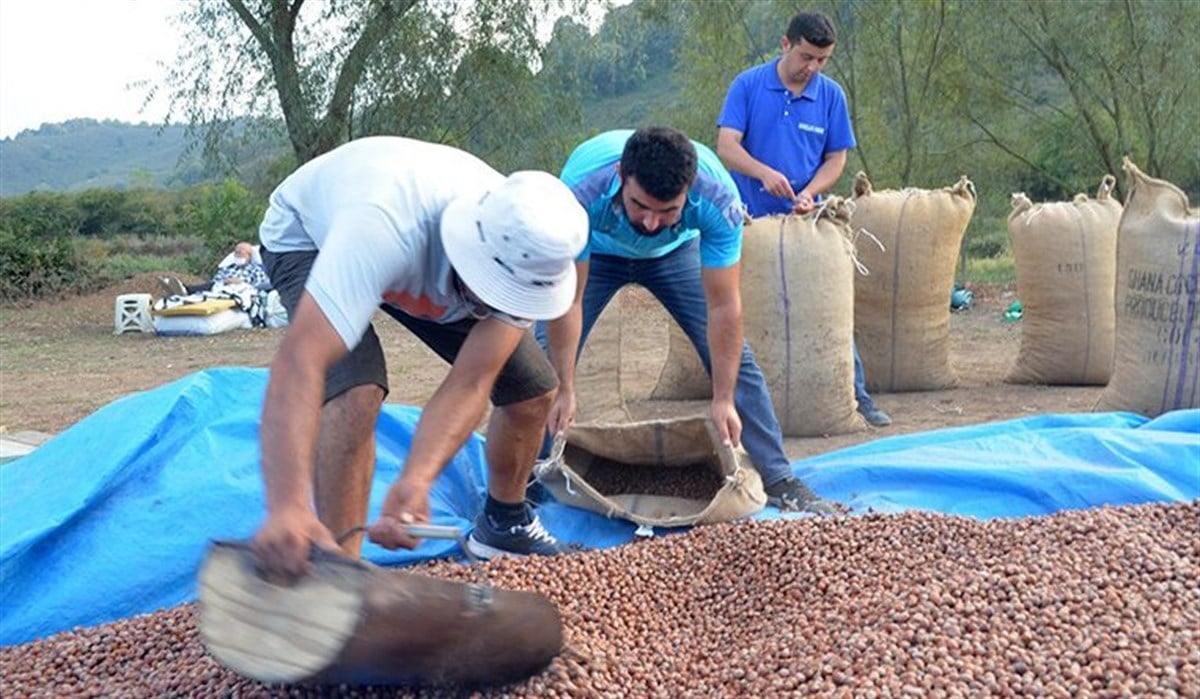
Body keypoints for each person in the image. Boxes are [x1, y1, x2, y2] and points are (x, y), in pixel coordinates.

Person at [250, 136, 589, 578]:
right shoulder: (383, 228)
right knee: (355, 393)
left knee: (531, 392)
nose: (489, 309)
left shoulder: (529, 251)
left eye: (505, 299)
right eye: (487, 293)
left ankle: (504, 525)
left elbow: (473, 378)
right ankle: (338, 575)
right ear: (469, 252)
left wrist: (416, 480)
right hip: (310, 236)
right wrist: (288, 505)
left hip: (412, 261)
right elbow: (301, 362)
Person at [540, 127, 834, 514]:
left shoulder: (718, 201)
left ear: (689, 192)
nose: (650, 223)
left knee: (735, 361)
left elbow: (724, 308)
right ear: (620, 178)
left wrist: (723, 399)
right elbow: (568, 302)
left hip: (673, 255)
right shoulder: (578, 198)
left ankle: (780, 478)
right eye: (640, 205)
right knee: (540, 366)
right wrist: (564, 386)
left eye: (667, 211)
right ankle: (532, 478)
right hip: (598, 248)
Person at [716, 9, 892, 428]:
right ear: (785, 45)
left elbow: (837, 158)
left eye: (822, 60)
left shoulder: (831, 96)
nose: (812, 67)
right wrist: (763, 173)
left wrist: (811, 192)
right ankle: (746, 404)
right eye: (806, 57)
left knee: (827, 311)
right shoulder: (748, 85)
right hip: (752, 225)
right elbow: (726, 146)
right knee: (749, 313)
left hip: (809, 223)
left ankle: (856, 397)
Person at [159, 241, 272, 295]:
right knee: (211, 285)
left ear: (249, 256)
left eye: (241, 253)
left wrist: (241, 282)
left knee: (212, 287)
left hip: (241, 290)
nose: (238, 255)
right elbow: (215, 280)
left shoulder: (255, 269)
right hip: (219, 287)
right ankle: (180, 290)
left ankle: (185, 290)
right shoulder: (227, 268)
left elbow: (263, 285)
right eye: (236, 253)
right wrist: (224, 282)